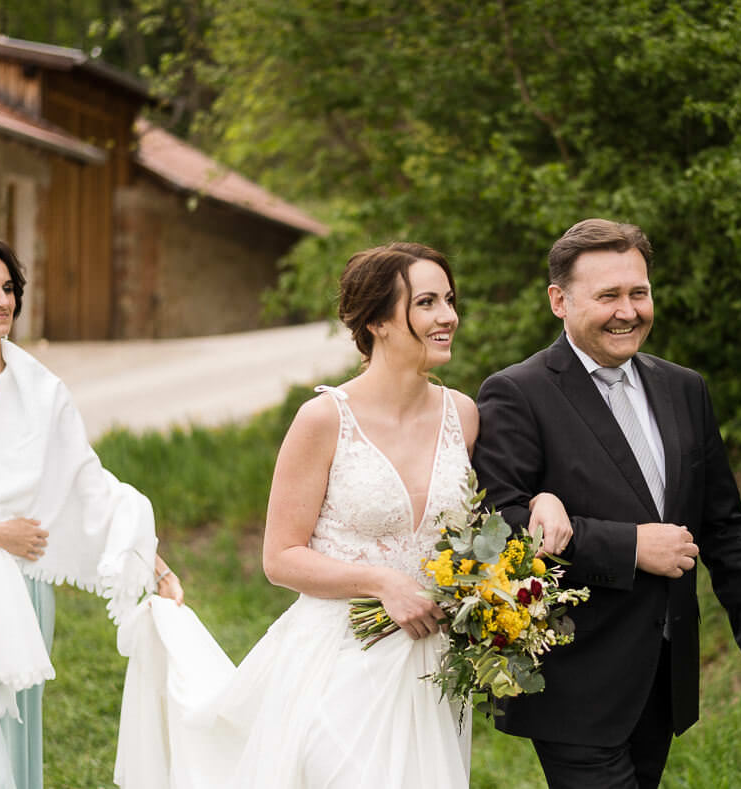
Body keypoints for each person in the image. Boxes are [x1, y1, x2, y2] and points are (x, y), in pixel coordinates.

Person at [115, 241, 570, 788]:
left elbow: (498, 506)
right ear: (377, 319)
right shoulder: (324, 419)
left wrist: (545, 499)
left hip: (430, 667)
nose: (448, 316)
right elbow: (280, 558)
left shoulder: (464, 416)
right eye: (426, 303)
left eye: (448, 300)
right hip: (340, 659)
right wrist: (382, 582)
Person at [472, 218, 741, 788]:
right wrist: (630, 546)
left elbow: (725, 526)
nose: (628, 310)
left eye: (638, 292)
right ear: (559, 301)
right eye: (608, 296)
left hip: (663, 676)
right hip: (573, 679)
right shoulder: (517, 393)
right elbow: (498, 529)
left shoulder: (683, 387)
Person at [0, 238, 183, 789]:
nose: (2, 300)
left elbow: (87, 485)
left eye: (9, 288)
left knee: (15, 738)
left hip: (24, 589)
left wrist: (154, 565)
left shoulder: (44, 391)